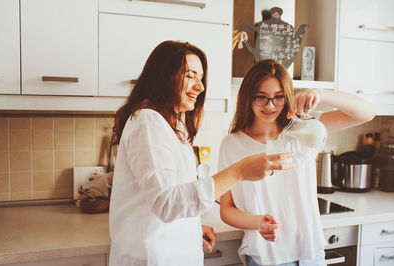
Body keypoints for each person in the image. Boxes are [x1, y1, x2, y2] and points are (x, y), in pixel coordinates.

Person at [109, 41, 293, 266]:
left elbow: (173, 194)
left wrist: (191, 226)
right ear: (164, 76)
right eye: (190, 76)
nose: (200, 87)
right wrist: (239, 171)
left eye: (201, 78)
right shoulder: (147, 121)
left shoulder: (172, 124)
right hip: (152, 258)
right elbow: (166, 202)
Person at [218, 59, 376, 266]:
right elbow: (226, 209)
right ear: (248, 98)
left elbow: (367, 112)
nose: (270, 106)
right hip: (268, 257)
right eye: (261, 98)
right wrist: (256, 222)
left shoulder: (304, 129)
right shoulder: (232, 144)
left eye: (278, 98)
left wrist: (320, 94)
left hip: (311, 255)